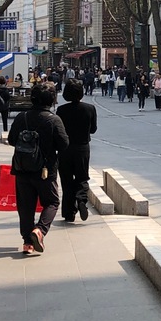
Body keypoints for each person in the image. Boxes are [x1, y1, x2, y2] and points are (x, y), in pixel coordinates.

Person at [7, 83, 69, 254]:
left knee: (25, 207)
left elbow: (12, 140)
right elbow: (64, 144)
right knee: (52, 202)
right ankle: (40, 230)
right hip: (45, 170)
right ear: (52, 99)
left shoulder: (22, 117)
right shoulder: (53, 120)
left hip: (22, 168)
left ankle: (27, 243)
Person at [55, 79, 97, 223]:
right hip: (82, 147)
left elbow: (58, 131)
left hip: (65, 149)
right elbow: (93, 129)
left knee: (66, 180)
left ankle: (69, 213)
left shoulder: (61, 110)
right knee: (82, 177)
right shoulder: (90, 108)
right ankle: (81, 199)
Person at [0, 75, 13, 140]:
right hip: (4, 107)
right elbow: (8, 97)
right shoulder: (5, 89)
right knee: (5, 121)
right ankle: (5, 132)